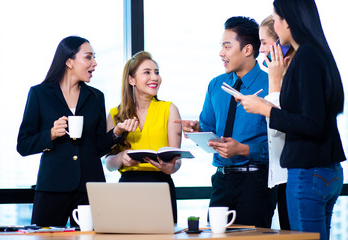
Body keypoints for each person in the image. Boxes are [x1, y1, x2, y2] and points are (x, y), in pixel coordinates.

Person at [236, 0, 345, 239]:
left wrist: (266, 110)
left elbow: (310, 124)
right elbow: (312, 115)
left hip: (308, 170)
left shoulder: (306, 56)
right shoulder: (318, 53)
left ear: (287, 20)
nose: (275, 25)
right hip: (328, 169)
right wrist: (265, 105)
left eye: (275, 19)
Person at [17, 36, 134, 227]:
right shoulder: (40, 94)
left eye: (94, 57)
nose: (95, 63)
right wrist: (51, 134)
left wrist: (116, 133)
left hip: (90, 187)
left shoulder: (96, 97)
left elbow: (96, 147)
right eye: (88, 57)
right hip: (53, 187)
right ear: (69, 61)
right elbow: (23, 145)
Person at [175, 16, 276, 228]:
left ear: (247, 49)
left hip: (256, 183)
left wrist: (243, 150)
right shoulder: (216, 85)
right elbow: (209, 129)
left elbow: (280, 143)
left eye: (227, 46)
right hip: (221, 181)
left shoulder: (271, 85)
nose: (221, 53)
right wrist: (197, 130)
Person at [105, 51, 182, 223]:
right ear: (131, 80)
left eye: (157, 72)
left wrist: (171, 167)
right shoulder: (115, 115)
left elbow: (176, 159)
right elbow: (108, 164)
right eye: (147, 72)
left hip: (161, 187)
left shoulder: (169, 109)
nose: (155, 77)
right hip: (127, 189)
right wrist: (121, 158)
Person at [259, 15, 290, 230]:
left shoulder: (287, 79)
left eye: (263, 43)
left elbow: (278, 121)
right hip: (283, 174)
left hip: (295, 173)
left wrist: (273, 79)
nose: (261, 50)